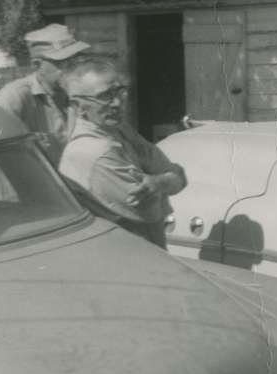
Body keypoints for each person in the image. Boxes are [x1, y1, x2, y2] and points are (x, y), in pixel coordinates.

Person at [58, 57, 186, 248]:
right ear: (78, 106)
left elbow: (181, 179)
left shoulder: (121, 130)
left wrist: (159, 182)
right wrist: (166, 179)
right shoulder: (93, 151)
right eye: (104, 96)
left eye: (119, 92)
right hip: (121, 256)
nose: (117, 103)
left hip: (146, 248)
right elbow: (149, 210)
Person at [0, 23, 90, 164]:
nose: (73, 68)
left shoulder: (84, 95)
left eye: (75, 59)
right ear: (37, 64)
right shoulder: (14, 96)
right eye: (62, 62)